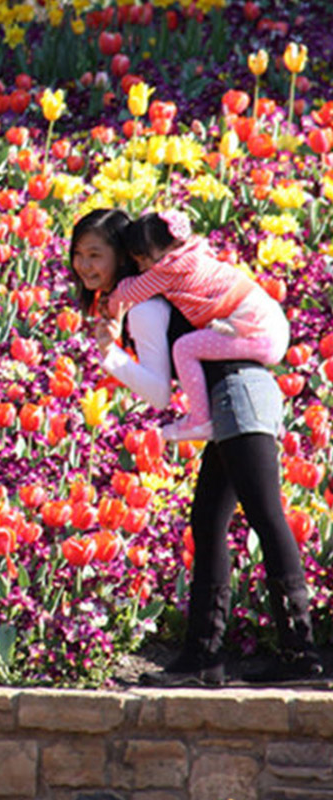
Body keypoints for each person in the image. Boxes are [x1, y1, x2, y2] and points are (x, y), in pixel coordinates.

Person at [69, 207, 323, 687]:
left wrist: (107, 356)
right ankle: (203, 658)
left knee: (266, 517)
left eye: (95, 254)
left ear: (124, 257)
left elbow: (158, 392)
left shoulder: (144, 304)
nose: (84, 266)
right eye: (78, 254)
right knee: (207, 523)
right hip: (236, 396)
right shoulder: (154, 291)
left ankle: (300, 655)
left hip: (239, 393)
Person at [103, 209, 289, 442]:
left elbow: (130, 294)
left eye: (143, 260)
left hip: (258, 331)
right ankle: (270, 419)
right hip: (270, 322)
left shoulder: (168, 268)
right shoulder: (195, 251)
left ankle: (200, 421)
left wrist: (106, 303)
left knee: (184, 348)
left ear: (167, 249)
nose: (141, 268)